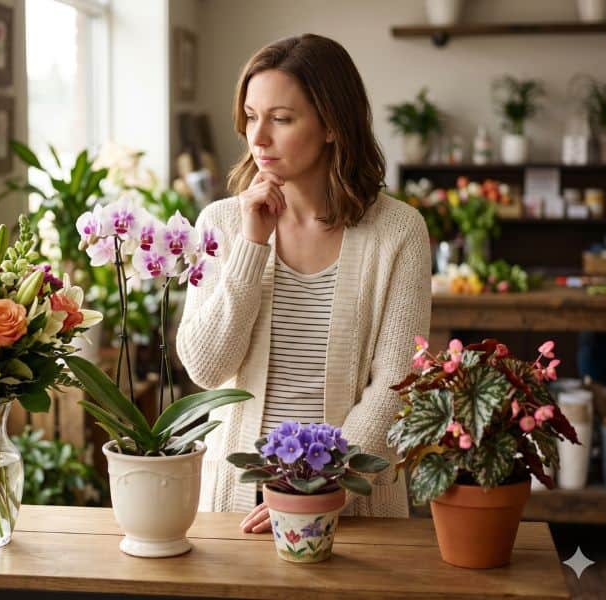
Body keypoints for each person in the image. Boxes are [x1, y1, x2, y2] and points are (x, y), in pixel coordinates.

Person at [176, 34, 431, 532]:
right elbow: (206, 368)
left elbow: (397, 384)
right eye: (251, 116)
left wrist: (318, 485)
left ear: (333, 124)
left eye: (281, 118)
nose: (258, 137)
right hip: (238, 503)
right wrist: (252, 245)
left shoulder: (399, 231)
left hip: (355, 503)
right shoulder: (223, 223)